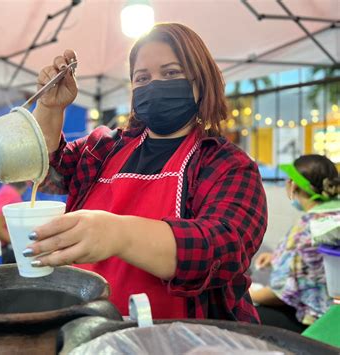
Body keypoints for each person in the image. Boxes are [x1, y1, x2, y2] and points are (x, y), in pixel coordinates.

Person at [25, 23, 267, 321]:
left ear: (201, 82)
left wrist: (118, 234)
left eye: (170, 73)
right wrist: (49, 108)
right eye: (142, 77)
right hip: (89, 327)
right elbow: (45, 173)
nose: (154, 85)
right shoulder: (104, 148)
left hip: (187, 338)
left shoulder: (227, 165)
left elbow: (224, 249)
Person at [251, 155, 340, 332]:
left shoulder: (308, 228)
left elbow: (282, 293)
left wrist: (250, 295)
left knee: (243, 315)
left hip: (313, 320)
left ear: (294, 185)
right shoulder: (332, 216)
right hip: (333, 314)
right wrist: (276, 257)